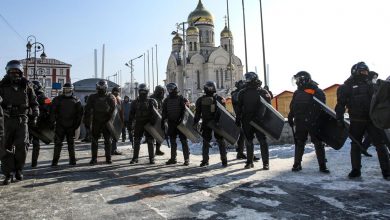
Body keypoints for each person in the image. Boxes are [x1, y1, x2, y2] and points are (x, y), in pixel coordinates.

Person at [335, 62, 390, 179]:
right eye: (362, 71)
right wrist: (339, 117)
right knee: (355, 145)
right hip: (356, 121)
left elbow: (381, 98)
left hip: (372, 120)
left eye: (366, 71)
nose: (365, 74)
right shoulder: (346, 86)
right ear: (355, 71)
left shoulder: (371, 84)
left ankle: (387, 170)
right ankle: (356, 170)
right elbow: (340, 104)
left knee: (380, 145)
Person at [0, 60, 39, 185]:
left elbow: (34, 102)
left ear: (21, 72)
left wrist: (35, 115)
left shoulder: (27, 85)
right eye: (11, 71)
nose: (14, 73)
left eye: (16, 71)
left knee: (22, 145)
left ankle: (19, 170)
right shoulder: (2, 85)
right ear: (7, 72)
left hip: (22, 119)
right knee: (5, 146)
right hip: (6, 119)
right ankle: (7, 173)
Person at [288, 71, 330, 173]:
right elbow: (293, 106)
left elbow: (322, 107)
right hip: (300, 122)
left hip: (313, 122)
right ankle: (297, 164)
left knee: (318, 143)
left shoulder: (316, 91)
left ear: (303, 79)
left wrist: (317, 119)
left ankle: (322, 166)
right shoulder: (297, 92)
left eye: (298, 80)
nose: (297, 82)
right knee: (299, 142)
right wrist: (290, 116)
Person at [236, 72, 271, 170]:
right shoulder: (242, 92)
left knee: (262, 141)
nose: (246, 81)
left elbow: (269, 107)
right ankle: (249, 162)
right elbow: (239, 107)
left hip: (259, 120)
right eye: (246, 79)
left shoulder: (262, 92)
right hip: (247, 120)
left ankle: (265, 163)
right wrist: (238, 118)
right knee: (248, 141)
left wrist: (266, 119)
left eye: (248, 79)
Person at [193, 81, 228, 167]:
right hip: (214, 123)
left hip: (209, 122)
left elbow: (197, 114)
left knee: (207, 141)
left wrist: (195, 122)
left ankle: (206, 160)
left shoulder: (201, 100)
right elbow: (224, 112)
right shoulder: (219, 98)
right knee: (218, 141)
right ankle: (224, 160)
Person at [83, 80, 116, 165]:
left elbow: (113, 110)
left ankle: (108, 158)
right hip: (96, 121)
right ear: (97, 87)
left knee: (108, 140)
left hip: (106, 121)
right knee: (94, 140)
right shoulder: (92, 97)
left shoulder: (110, 96)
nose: (101, 89)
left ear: (106, 87)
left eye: (103, 87)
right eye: (99, 87)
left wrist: (110, 120)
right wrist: (87, 121)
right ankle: (94, 158)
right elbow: (87, 109)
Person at [51, 83, 83, 166]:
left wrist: (76, 125)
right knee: (58, 144)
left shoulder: (76, 100)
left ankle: (72, 160)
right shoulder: (57, 99)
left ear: (72, 89)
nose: (67, 90)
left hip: (71, 126)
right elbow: (52, 112)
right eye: (65, 89)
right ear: (63, 89)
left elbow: (79, 114)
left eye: (68, 89)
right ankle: (55, 161)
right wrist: (53, 122)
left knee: (71, 144)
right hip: (60, 125)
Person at [161, 83, 190, 166]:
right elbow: (164, 112)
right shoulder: (166, 100)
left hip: (180, 123)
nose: (169, 90)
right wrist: (163, 122)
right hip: (171, 123)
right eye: (168, 89)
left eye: (171, 89)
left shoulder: (181, 98)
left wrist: (182, 120)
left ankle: (186, 159)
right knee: (173, 141)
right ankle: (173, 158)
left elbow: (185, 111)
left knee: (184, 141)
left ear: (175, 89)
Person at [129, 83, 158, 164]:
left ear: (147, 91)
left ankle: (151, 158)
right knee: (137, 140)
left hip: (148, 123)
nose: (142, 93)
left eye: (143, 91)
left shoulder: (151, 101)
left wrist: (153, 122)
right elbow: (131, 114)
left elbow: (156, 114)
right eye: (141, 91)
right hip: (139, 123)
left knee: (150, 140)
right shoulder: (134, 102)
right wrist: (130, 125)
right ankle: (135, 158)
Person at [30, 80, 51, 167]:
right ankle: (33, 163)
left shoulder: (44, 98)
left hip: (32, 122)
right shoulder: (44, 97)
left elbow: (50, 108)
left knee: (27, 143)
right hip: (35, 123)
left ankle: (32, 162)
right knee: (34, 143)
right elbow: (50, 109)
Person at [231, 80, 247, 160]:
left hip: (244, 116)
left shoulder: (240, 93)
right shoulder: (236, 94)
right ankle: (241, 152)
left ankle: (240, 152)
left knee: (243, 135)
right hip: (240, 116)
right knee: (244, 135)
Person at [150, 85, 165, 156]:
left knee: (159, 135)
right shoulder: (152, 98)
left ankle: (157, 150)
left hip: (160, 118)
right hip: (153, 119)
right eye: (161, 91)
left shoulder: (161, 98)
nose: (162, 93)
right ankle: (152, 152)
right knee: (152, 135)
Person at [111, 86, 124, 155]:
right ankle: (113, 149)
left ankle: (113, 149)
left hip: (116, 119)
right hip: (113, 120)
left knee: (115, 135)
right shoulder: (112, 98)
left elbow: (121, 110)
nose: (117, 93)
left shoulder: (118, 99)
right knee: (113, 136)